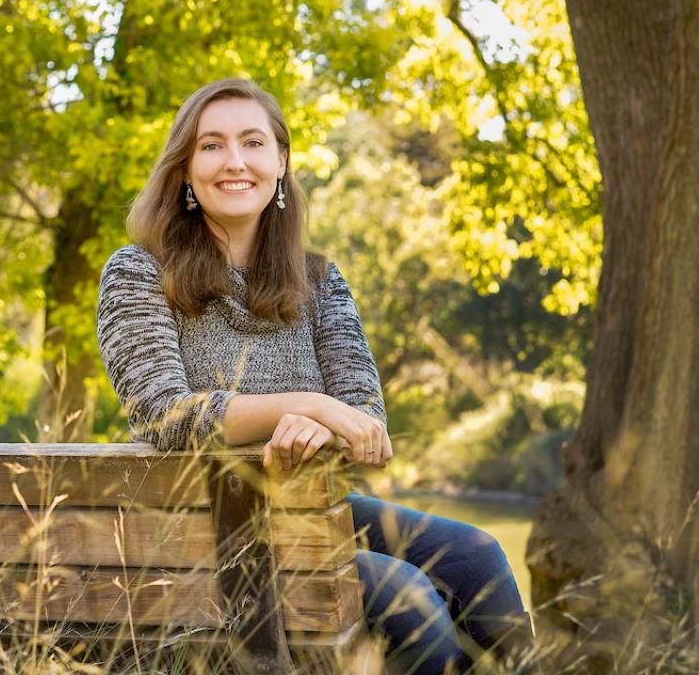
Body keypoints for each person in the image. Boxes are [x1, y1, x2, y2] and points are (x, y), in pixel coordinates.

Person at [95, 78, 529, 673]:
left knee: (476, 554)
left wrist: (318, 427)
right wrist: (306, 403)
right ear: (185, 170)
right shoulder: (138, 273)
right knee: (407, 597)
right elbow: (166, 415)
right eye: (212, 146)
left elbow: (365, 419)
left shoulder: (319, 281)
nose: (235, 162)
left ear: (280, 162)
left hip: (309, 508)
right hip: (197, 533)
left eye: (252, 142)